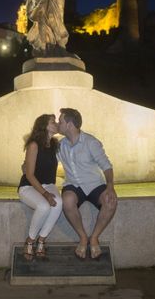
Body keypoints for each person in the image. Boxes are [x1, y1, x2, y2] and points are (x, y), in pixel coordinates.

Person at [57, 108, 117, 260]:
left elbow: (107, 166)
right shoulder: (59, 145)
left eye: (61, 121)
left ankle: (94, 237)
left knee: (110, 202)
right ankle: (83, 237)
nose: (58, 124)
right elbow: (45, 159)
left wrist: (110, 186)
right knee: (67, 200)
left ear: (70, 124)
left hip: (94, 184)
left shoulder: (91, 142)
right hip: (73, 185)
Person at [18, 114, 63, 259]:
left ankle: (41, 240)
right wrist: (46, 194)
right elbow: (30, 175)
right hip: (29, 186)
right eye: (53, 121)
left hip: (48, 184)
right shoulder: (34, 145)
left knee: (59, 204)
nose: (56, 123)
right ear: (44, 125)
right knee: (44, 206)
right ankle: (30, 241)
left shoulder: (55, 145)